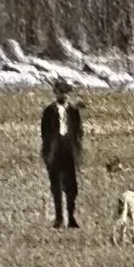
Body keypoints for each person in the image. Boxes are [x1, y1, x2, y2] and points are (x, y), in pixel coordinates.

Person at [40, 78, 85, 229]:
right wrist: (48, 152)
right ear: (56, 93)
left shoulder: (73, 111)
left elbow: (79, 131)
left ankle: (71, 216)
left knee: (72, 186)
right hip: (55, 150)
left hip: (70, 149)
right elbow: (44, 133)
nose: (65, 95)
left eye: (67, 92)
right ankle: (59, 218)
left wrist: (77, 147)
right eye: (61, 92)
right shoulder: (49, 111)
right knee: (56, 185)